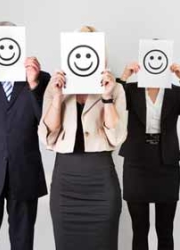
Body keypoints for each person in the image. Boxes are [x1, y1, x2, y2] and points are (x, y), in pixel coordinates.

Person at [38, 26, 128, 250]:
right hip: (65, 184)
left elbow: (116, 138)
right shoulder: (55, 86)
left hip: (101, 183)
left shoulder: (114, 88)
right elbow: (48, 137)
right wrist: (58, 98)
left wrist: (107, 98)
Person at [0, 21, 50, 250]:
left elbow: (48, 124)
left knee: (22, 244)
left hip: (25, 173)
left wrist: (34, 85)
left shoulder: (40, 79)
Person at [117, 60, 180, 250]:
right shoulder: (131, 89)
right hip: (136, 163)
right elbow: (111, 103)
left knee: (165, 230)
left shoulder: (175, 91)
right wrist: (124, 76)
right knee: (139, 229)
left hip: (167, 163)